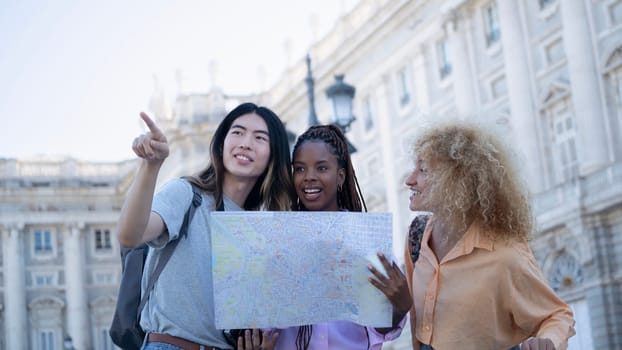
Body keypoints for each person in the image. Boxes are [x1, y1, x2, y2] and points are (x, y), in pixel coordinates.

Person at [117, 102, 294, 350]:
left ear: (272, 155)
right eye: (238, 132)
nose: (245, 143)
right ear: (221, 144)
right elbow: (130, 236)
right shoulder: (187, 195)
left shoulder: (260, 230)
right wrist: (151, 166)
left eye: (259, 138)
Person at [403, 121, 576, 350]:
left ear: (456, 181)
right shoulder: (417, 236)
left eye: (423, 170)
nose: (409, 180)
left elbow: (557, 315)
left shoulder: (506, 254)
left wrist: (548, 342)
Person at [261, 124, 412, 350]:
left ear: (340, 176)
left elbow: (377, 327)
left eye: (321, 168)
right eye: (300, 169)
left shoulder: (367, 240)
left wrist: (399, 309)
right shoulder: (276, 242)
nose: (308, 177)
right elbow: (263, 319)